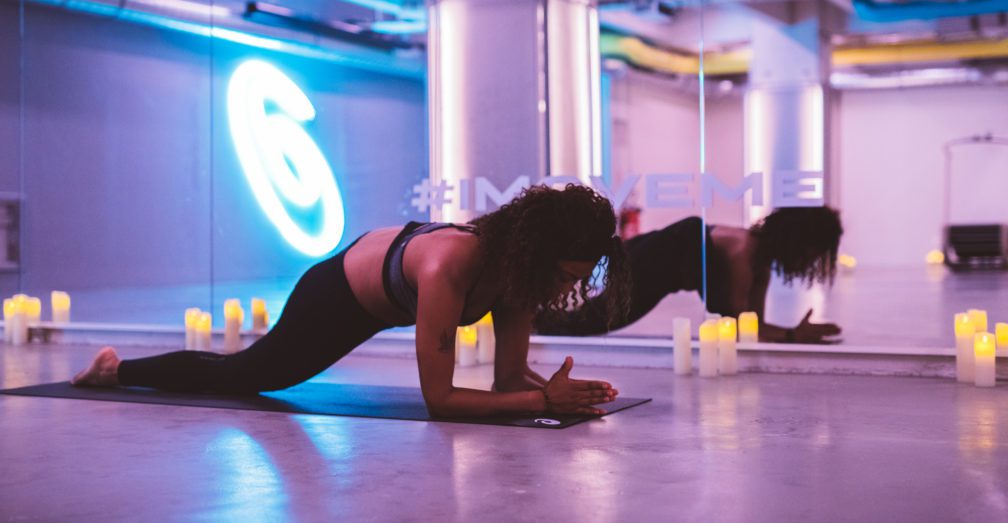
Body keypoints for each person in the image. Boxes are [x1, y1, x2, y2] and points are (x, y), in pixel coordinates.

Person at [72, 184, 632, 418]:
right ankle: (115, 370)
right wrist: (542, 404)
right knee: (245, 373)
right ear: (537, 255)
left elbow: (508, 380)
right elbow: (440, 400)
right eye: (562, 275)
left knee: (246, 372)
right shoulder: (451, 265)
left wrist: (562, 393)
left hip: (380, 283)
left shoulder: (518, 277)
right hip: (336, 294)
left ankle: (116, 369)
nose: (564, 289)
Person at [534, 206, 843, 344]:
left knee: (588, 320)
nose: (813, 260)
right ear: (799, 241)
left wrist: (791, 334)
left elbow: (752, 327)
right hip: (652, 259)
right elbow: (737, 325)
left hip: (658, 258)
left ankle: (529, 318)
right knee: (587, 323)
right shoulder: (744, 252)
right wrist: (792, 335)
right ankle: (525, 320)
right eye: (815, 251)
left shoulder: (759, 259)